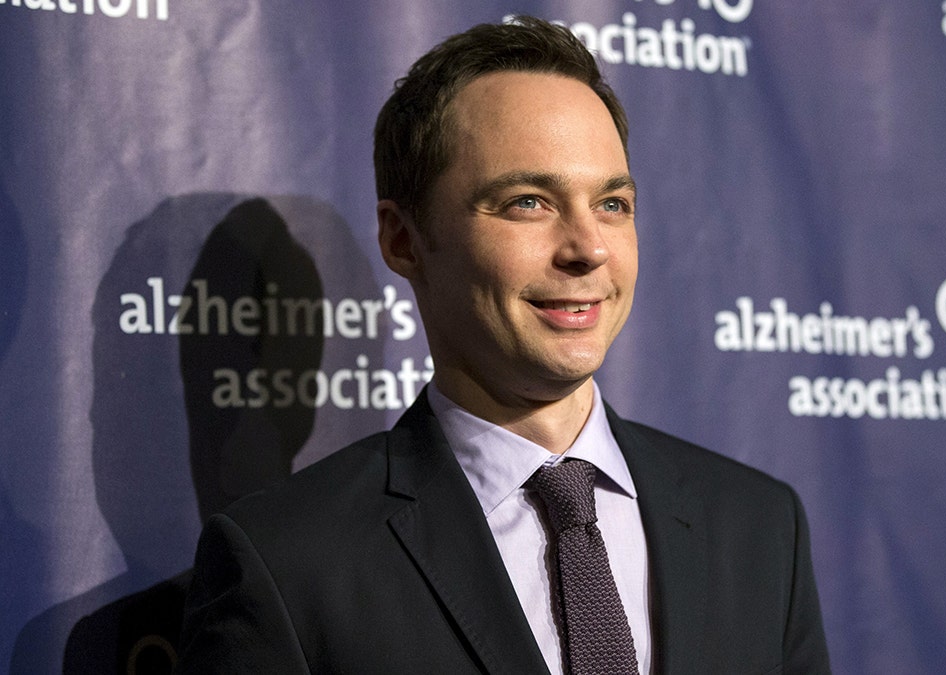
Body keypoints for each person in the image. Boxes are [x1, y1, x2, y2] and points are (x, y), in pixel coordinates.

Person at [177, 16, 830, 674]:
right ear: (404, 240)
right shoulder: (287, 562)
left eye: (612, 203)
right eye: (528, 201)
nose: (588, 248)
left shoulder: (759, 529)